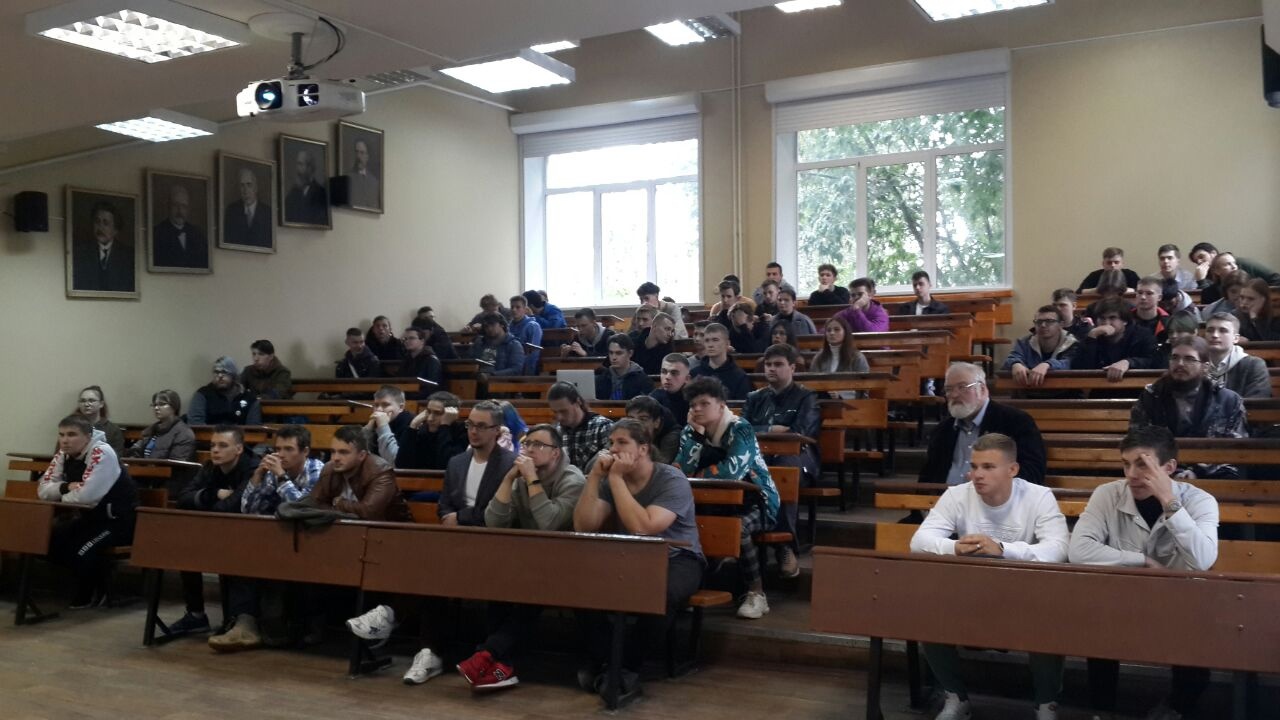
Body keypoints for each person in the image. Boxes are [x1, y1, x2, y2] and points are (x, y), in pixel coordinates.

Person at [910, 433, 1069, 720]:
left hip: (1025, 596)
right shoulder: (957, 494)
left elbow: (1058, 549)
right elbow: (919, 541)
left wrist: (1003, 549)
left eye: (988, 467)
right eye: (974, 466)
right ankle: (955, 698)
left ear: (1012, 469)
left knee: (1053, 615)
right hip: (969, 592)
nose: (977, 475)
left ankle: (1047, 704)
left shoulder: (1039, 496)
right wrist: (954, 547)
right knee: (928, 614)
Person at [1068, 426, 1219, 720]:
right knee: (1099, 619)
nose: (1131, 474)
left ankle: (1176, 709)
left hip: (1182, 605)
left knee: (1197, 636)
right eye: (1126, 464)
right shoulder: (1107, 494)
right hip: (1121, 602)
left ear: (1169, 467)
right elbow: (1079, 551)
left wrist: (1170, 503)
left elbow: (1203, 559)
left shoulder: (1200, 501)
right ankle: (1102, 711)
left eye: (1143, 464)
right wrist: (1142, 561)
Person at [574, 419, 704, 702]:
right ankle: (609, 661)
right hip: (630, 557)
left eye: (622, 443)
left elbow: (643, 527)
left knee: (660, 593)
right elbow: (584, 525)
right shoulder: (610, 480)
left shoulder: (671, 479)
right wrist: (594, 478)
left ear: (643, 448)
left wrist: (616, 479)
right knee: (581, 586)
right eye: (611, 443)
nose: (613, 449)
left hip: (678, 557)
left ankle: (625, 667)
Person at [451, 425, 586, 690]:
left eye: (539, 445)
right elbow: (493, 522)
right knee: (498, 582)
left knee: (533, 590)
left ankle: (488, 654)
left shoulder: (573, 480)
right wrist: (508, 479)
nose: (530, 450)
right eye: (527, 444)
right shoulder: (520, 479)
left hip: (568, 562)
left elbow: (549, 524)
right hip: (529, 559)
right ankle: (500, 664)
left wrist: (532, 479)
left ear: (556, 453)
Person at [673, 377, 780, 619]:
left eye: (704, 403)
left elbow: (731, 472)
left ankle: (756, 593)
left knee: (737, 528)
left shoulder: (740, 428)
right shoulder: (691, 431)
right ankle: (691, 586)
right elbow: (680, 471)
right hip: (713, 500)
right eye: (693, 405)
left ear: (721, 405)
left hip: (758, 500)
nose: (697, 409)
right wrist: (696, 438)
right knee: (686, 525)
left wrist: (697, 475)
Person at [165, 426, 255, 640]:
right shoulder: (209, 467)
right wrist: (215, 494)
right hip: (216, 529)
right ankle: (196, 615)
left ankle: (236, 618)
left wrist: (208, 502)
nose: (215, 450)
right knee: (187, 551)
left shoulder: (252, 468)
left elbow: (234, 506)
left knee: (234, 554)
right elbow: (183, 498)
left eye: (223, 445)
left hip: (248, 535)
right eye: (213, 445)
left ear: (239, 449)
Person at [38, 415, 138, 608]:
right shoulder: (63, 454)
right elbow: (43, 491)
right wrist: (66, 487)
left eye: (72, 434)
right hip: (90, 519)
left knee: (82, 550)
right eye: (61, 435)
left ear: (88, 436)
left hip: (118, 522)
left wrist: (59, 496)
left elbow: (87, 497)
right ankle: (92, 584)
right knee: (48, 541)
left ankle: (93, 592)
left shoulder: (102, 452)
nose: (65, 440)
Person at [744, 344, 820, 577]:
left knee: (782, 470)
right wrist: (770, 429)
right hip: (761, 457)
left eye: (778, 364)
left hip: (799, 458)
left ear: (792, 368)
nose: (771, 369)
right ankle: (737, 542)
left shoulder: (806, 397)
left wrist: (763, 431)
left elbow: (801, 432)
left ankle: (785, 545)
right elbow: (742, 431)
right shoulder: (755, 397)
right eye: (768, 365)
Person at [1130, 336, 1247, 479]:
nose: (1180, 364)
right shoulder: (1151, 396)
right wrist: (1173, 470)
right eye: (1174, 358)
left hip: (1213, 476)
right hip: (1160, 474)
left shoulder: (1228, 400)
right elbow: (1138, 441)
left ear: (1205, 366)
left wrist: (1197, 472)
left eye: (1189, 359)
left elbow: (1234, 449)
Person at [919, 363, 1047, 486]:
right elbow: (928, 476)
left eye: (962, 387)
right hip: (946, 498)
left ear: (982, 389)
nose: (954, 395)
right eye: (948, 389)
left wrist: (993, 482)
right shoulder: (942, 430)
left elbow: (1033, 471)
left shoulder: (1015, 421)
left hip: (996, 499)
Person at [439, 401, 516, 526]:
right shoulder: (456, 462)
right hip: (456, 530)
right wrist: (447, 517)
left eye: (481, 426)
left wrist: (459, 517)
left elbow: (501, 512)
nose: (473, 431)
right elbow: (444, 504)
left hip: (491, 531)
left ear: (497, 430)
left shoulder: (510, 464)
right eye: (470, 424)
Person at [239, 425, 323, 516]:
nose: (281, 455)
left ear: (305, 451)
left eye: (288, 449)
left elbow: (303, 511)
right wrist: (257, 476)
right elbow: (247, 510)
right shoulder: (274, 471)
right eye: (278, 449)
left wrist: (282, 476)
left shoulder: (317, 471)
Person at [1072, 298, 1158, 382]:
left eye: (1112, 318)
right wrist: (1091, 339)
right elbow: (1078, 368)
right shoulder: (1091, 336)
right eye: (1102, 318)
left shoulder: (1143, 335)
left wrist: (1129, 362)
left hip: (1135, 386)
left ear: (1125, 321)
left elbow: (1153, 362)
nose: (1106, 323)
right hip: (1098, 386)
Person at [1002, 305, 1080, 388]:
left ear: (1061, 325)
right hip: (1029, 391)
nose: (1043, 325)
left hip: (1063, 392)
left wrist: (1047, 364)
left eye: (1049, 321)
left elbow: (1069, 363)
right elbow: (1011, 359)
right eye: (1039, 322)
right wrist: (1015, 364)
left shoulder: (1072, 343)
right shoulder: (1024, 342)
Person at [395, 391, 469, 470]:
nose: (430, 419)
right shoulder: (422, 431)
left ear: (452, 414)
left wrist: (444, 427)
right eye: (429, 412)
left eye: (438, 413)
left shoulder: (462, 432)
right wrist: (413, 426)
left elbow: (448, 465)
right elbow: (401, 464)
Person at [548, 382, 614, 470]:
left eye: (564, 411)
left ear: (578, 402)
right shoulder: (555, 432)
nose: (559, 417)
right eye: (555, 412)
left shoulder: (603, 427)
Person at [1204, 313, 1272, 398]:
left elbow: (1257, 400)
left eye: (1223, 331)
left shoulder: (1254, 365)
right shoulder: (1196, 363)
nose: (1215, 335)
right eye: (1210, 330)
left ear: (1236, 338)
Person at [72, 200, 135, 292]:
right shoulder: (80, 252)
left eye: (106, 223)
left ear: (115, 230)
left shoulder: (128, 255)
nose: (100, 227)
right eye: (97, 222)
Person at [188, 357, 263, 425]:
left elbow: (254, 429)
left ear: (233, 375)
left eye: (224, 372)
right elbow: (195, 424)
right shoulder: (203, 394)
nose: (220, 376)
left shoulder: (250, 399)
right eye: (216, 372)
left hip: (240, 435)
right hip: (209, 435)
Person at [124, 389, 195, 460]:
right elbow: (134, 452)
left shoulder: (184, 433)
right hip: (144, 467)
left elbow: (177, 463)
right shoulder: (152, 430)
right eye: (154, 405)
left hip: (164, 467)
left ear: (174, 406)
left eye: (161, 404)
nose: (156, 408)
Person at [689, 323, 752, 400]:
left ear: (727, 343)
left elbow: (742, 405)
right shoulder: (694, 374)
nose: (710, 345)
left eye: (715, 340)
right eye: (707, 340)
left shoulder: (740, 376)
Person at [152, 183, 209, 269]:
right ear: (168, 206)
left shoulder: (198, 234)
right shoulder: (156, 233)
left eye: (184, 206)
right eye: (175, 205)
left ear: (188, 208)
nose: (180, 211)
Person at [1188, 242, 1280, 293]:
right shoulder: (1207, 277)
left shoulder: (1242, 263)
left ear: (1213, 253)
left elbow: (1276, 278)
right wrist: (1201, 281)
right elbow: (1209, 300)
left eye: (1201, 257)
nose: (1199, 262)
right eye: (1196, 261)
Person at [810, 317, 870, 384]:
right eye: (828, 330)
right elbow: (813, 383)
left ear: (845, 332)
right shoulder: (819, 357)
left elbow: (863, 384)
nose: (832, 333)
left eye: (837, 329)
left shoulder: (857, 357)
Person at [222, 167, 272, 248]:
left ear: (256, 188)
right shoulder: (231, 211)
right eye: (242, 185)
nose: (245, 190)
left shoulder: (268, 213)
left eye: (249, 185)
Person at [365, 385, 415, 464]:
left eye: (385, 405)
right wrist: (368, 429)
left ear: (401, 407)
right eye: (376, 405)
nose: (379, 410)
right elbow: (358, 455)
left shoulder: (412, 426)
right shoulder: (374, 422)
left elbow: (395, 461)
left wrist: (383, 427)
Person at [595, 334, 654, 401]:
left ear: (630, 353)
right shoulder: (602, 378)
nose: (614, 357)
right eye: (611, 353)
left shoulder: (644, 381)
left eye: (619, 353)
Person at [625, 396, 681, 464]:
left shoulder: (671, 437)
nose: (635, 424)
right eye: (631, 419)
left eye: (643, 419)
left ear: (657, 422)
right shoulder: (623, 431)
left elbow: (661, 466)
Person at [73, 384, 125, 454]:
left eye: (91, 400)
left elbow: (116, 456)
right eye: (83, 401)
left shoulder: (113, 430)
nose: (86, 404)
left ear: (101, 404)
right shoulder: (71, 426)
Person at [283, 148, 328, 225]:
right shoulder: (292, 194)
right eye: (297, 164)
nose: (297, 169)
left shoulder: (321, 193)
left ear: (309, 168)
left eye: (300, 164)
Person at [506, 294, 544, 374]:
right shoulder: (508, 327)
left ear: (525, 309)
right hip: (508, 366)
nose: (514, 310)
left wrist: (527, 375)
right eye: (512, 307)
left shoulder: (533, 326)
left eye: (518, 307)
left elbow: (533, 353)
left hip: (524, 367)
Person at [398, 326, 443, 392]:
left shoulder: (431, 360)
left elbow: (433, 385)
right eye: (405, 339)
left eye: (411, 338)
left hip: (425, 395)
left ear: (422, 341)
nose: (407, 341)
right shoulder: (406, 360)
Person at [651, 353, 692, 422]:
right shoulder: (653, 398)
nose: (667, 377)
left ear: (687, 379)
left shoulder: (693, 401)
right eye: (664, 372)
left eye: (674, 373)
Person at [1129, 276, 1171, 343]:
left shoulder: (1169, 323)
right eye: (1140, 292)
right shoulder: (1125, 320)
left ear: (1159, 297)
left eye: (1149, 293)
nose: (1143, 297)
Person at [347, 139, 380, 209]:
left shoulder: (374, 182)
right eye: (356, 152)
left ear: (367, 156)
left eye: (362, 153)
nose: (358, 156)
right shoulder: (347, 178)